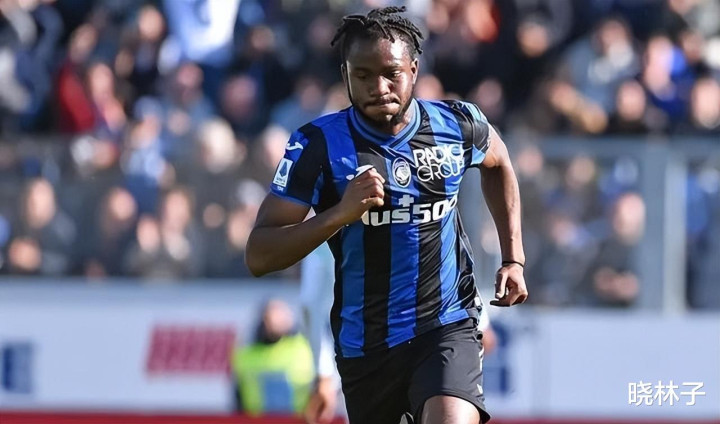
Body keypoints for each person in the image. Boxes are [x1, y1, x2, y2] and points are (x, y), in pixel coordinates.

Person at [246, 7, 527, 424]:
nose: (378, 87)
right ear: (345, 75)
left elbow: (499, 161)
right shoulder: (317, 146)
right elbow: (259, 255)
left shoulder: (457, 124)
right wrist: (339, 214)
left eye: (391, 74)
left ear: (413, 70)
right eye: (363, 75)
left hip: (446, 324)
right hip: (366, 347)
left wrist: (513, 258)